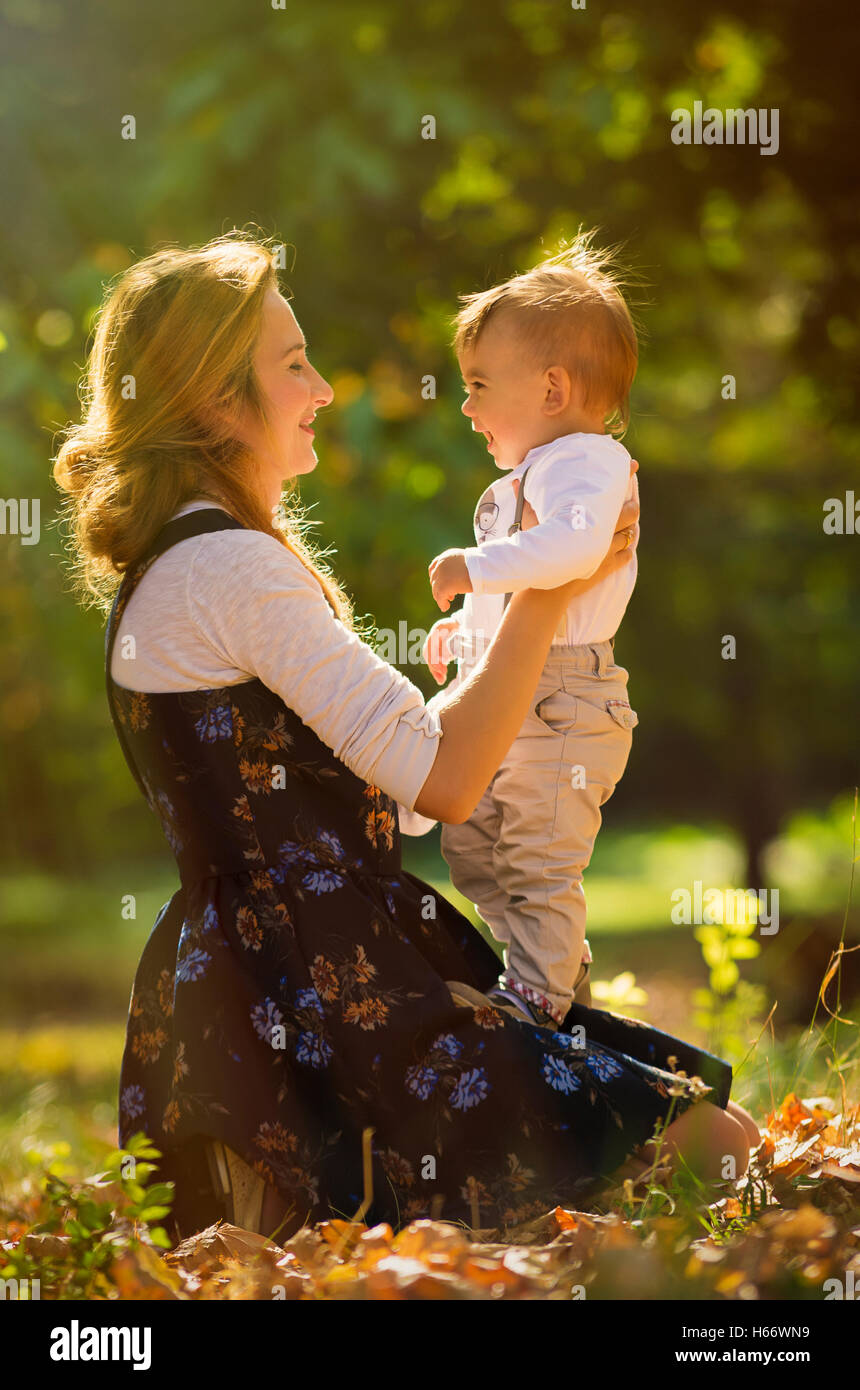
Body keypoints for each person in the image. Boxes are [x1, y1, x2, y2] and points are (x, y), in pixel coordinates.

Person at [53, 231, 758, 1240]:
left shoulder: (191, 560)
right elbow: (446, 777)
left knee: (691, 1120)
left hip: (277, 980)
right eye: (291, 363)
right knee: (715, 1149)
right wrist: (547, 584)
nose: (324, 387)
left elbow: (406, 754)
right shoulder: (233, 572)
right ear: (215, 399)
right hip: (318, 1010)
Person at [408, 234, 642, 1031]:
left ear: (551, 389)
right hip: (518, 688)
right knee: (471, 846)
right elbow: (524, 585)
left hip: (566, 701)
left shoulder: (590, 460)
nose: (465, 404)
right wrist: (465, 637)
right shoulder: (531, 475)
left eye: (478, 385)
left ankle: (536, 1000)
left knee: (539, 858)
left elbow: (574, 550)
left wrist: (473, 569)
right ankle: (552, 968)